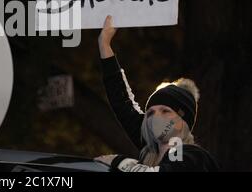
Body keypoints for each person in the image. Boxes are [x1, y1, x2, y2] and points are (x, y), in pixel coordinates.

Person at [94, 15, 219, 172]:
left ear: (183, 118)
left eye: (165, 111)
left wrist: (119, 161)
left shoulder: (191, 156)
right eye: (150, 113)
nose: (155, 117)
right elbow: (122, 102)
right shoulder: (150, 150)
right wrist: (105, 45)